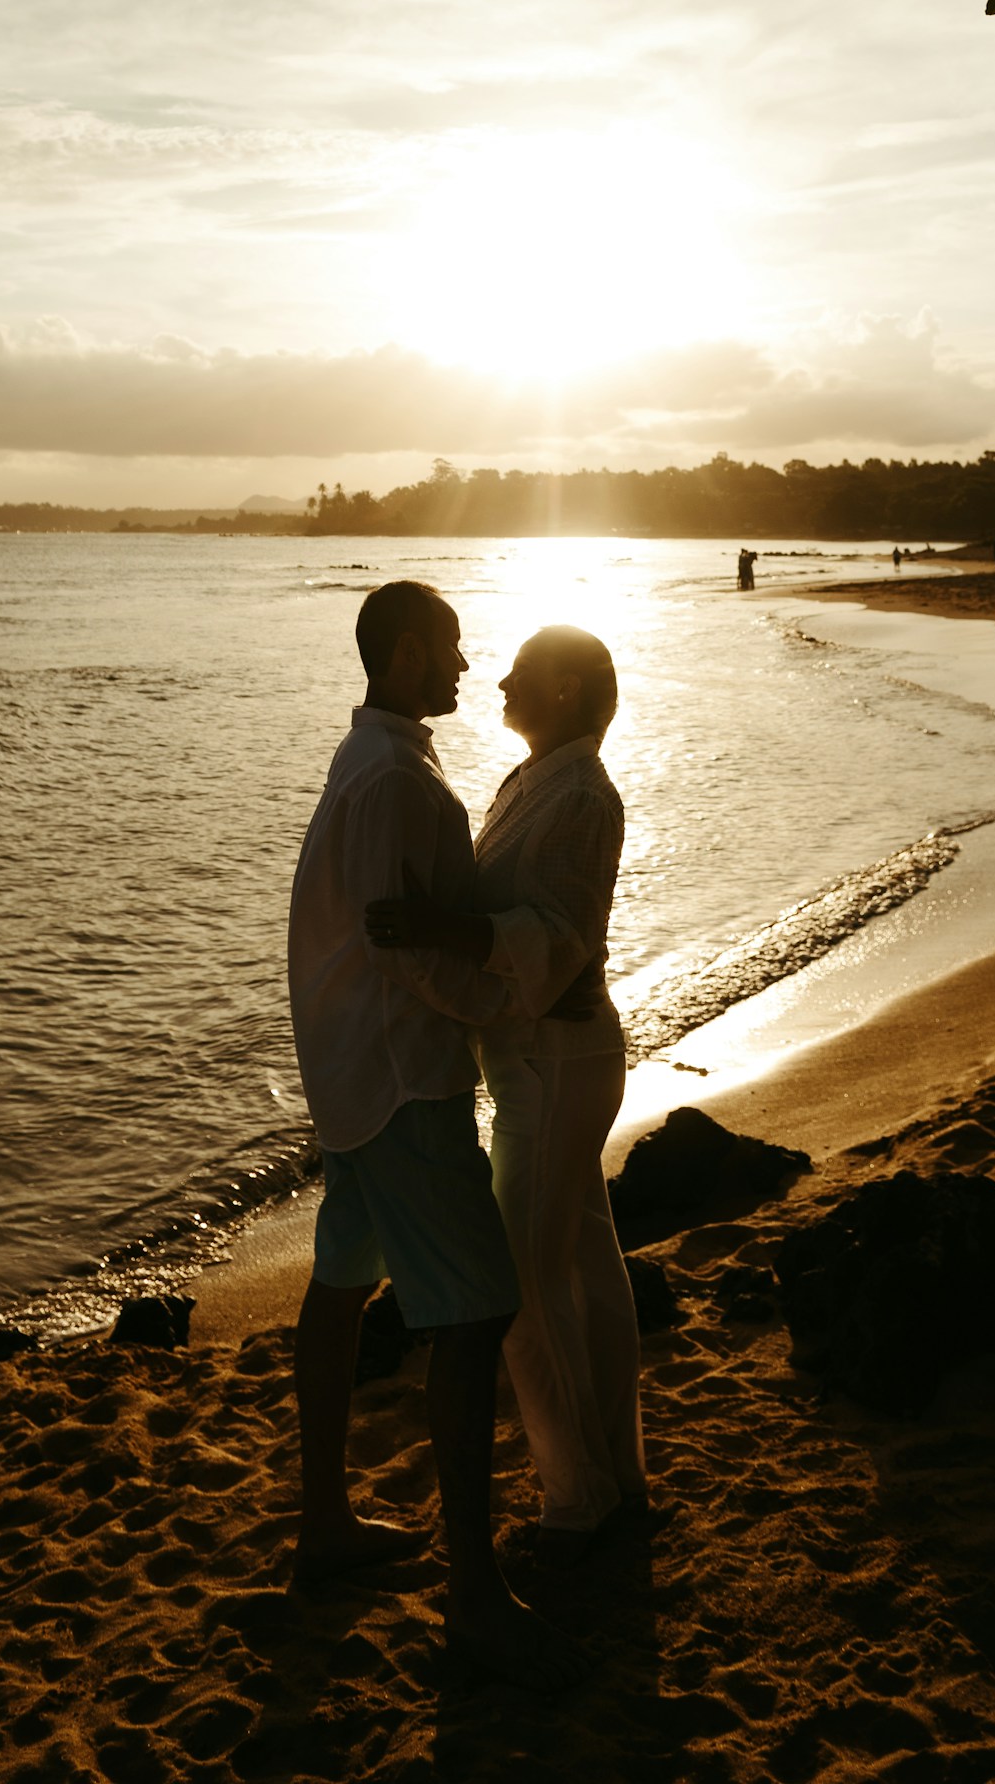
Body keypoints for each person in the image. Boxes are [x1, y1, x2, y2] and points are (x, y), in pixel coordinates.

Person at [286, 577, 557, 1683]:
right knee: (478, 1312)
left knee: (344, 1284)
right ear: (404, 653)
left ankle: (323, 1529)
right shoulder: (394, 776)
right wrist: (512, 1000)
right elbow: (412, 950)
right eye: (447, 647)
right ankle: (475, 1596)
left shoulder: (377, 759)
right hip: (401, 1080)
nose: (462, 665)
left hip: (354, 1069)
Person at [369, 626, 643, 1562]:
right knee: (588, 1269)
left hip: (555, 1059)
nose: (498, 683)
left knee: (520, 1281)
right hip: (546, 1057)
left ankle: (579, 1500)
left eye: (521, 674)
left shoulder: (578, 797)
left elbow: (555, 933)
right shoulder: (541, 780)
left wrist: (439, 926)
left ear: (566, 690)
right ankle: (617, 1475)